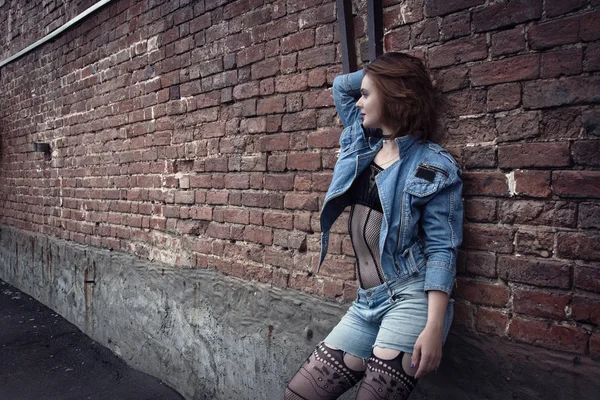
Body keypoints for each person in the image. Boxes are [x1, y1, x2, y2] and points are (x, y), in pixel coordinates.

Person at [284, 52, 464, 400]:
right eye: (362, 94)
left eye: (368, 94)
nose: (360, 101)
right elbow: (341, 86)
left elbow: (443, 248)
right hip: (366, 302)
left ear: (394, 94)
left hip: (409, 300)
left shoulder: (434, 165)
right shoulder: (363, 141)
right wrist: (383, 74)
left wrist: (434, 326)